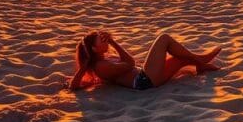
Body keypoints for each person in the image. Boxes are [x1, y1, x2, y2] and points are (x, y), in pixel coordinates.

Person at [68, 30, 221, 91]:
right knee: (163, 38)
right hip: (143, 81)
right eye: (101, 40)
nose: (106, 41)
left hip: (146, 78)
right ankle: (201, 59)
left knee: (180, 58)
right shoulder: (100, 66)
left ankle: (200, 65)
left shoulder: (103, 61)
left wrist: (113, 42)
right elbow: (130, 63)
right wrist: (114, 43)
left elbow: (128, 63)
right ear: (94, 49)